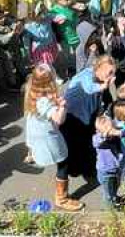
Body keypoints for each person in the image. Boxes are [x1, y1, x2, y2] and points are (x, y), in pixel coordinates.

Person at [23, 64, 81, 211]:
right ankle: (61, 198)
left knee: (53, 156)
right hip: (46, 137)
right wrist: (62, 106)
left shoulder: (32, 90)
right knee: (63, 162)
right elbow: (58, 119)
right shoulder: (43, 101)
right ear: (49, 82)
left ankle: (31, 154)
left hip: (35, 133)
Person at [60, 55, 114, 194]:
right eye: (109, 72)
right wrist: (103, 86)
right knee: (74, 144)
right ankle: (74, 169)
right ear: (99, 68)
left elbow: (106, 99)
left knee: (86, 144)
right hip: (73, 116)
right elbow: (90, 89)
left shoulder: (102, 79)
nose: (112, 76)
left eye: (113, 72)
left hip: (87, 115)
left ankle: (87, 169)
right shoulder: (86, 75)